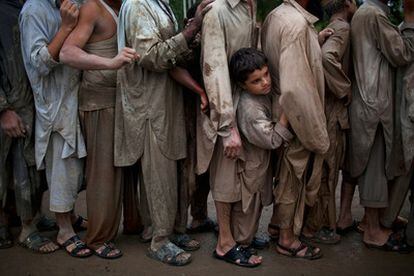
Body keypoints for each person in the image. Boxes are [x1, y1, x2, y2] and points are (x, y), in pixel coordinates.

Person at [116, 0, 213, 266]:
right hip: (150, 105)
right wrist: (193, 28)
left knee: (167, 169)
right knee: (159, 171)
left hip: (165, 102)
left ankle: (164, 230)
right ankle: (159, 240)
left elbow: (171, 52)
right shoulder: (138, 5)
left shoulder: (158, 3)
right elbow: (151, 57)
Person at [59, 0, 139, 259]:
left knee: (124, 168)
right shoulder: (93, 8)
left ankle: (132, 222)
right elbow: (67, 53)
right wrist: (111, 64)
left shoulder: (122, 8)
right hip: (98, 102)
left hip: (120, 101)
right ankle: (97, 238)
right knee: (103, 172)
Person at [20, 0, 91, 258]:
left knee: (76, 167)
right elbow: (38, 63)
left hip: (75, 95)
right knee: (63, 163)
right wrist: (65, 27)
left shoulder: (74, 2)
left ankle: (70, 215)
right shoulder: (33, 11)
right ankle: (63, 230)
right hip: (53, 101)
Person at [197, 0, 264, 267]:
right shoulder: (218, 12)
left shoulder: (250, 5)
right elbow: (214, 70)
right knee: (225, 178)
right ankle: (225, 243)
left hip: (244, 103)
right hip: (223, 108)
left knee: (239, 177)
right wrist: (227, 127)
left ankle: (234, 235)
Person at [262, 0, 329, 260]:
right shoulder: (295, 23)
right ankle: (287, 239)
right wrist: (313, 132)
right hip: (294, 116)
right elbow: (294, 88)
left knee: (286, 174)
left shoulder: (276, 15)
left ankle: (277, 227)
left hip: (283, 111)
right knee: (292, 177)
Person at [348, 0, 414, 251]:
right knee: (374, 168)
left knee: (378, 166)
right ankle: (373, 230)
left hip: (370, 102)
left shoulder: (368, 12)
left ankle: (372, 221)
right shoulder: (375, 14)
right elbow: (403, 54)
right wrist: (409, 19)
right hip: (374, 104)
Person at [0, 0, 58, 254]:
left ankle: (31, 217)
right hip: (10, 104)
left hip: (32, 101)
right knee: (7, 169)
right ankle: (18, 227)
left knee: (32, 166)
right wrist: (2, 110)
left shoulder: (29, 6)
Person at [229, 47, 293, 258]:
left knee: (255, 205)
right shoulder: (250, 109)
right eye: (256, 80)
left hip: (258, 165)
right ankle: (241, 243)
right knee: (247, 207)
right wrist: (286, 113)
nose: (265, 82)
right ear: (242, 85)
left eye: (266, 75)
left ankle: (247, 237)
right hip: (251, 168)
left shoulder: (260, 95)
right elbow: (272, 139)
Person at [303, 0, 357, 244]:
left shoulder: (330, 27)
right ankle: (320, 227)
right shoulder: (343, 28)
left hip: (325, 111)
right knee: (326, 172)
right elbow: (327, 59)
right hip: (332, 112)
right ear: (348, 3)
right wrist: (344, 90)